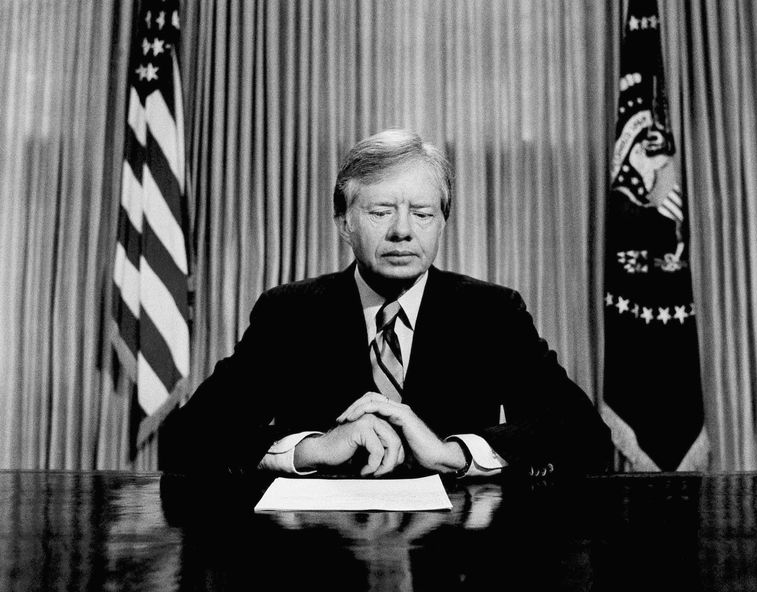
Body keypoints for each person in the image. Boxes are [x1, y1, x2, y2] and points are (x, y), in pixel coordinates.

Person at [164, 129, 612, 478]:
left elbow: (585, 437)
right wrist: (314, 447)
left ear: (441, 222)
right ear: (343, 221)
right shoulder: (290, 313)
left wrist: (452, 452)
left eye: (422, 213)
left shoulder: (492, 312)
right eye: (381, 212)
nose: (403, 231)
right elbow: (187, 440)